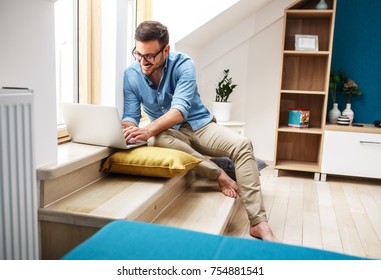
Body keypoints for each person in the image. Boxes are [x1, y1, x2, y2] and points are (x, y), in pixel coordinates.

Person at [121, 20, 277, 242]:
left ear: (165, 50)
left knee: (243, 144)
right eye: (138, 54)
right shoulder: (131, 74)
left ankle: (259, 223)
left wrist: (147, 130)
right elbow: (131, 115)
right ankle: (219, 173)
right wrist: (125, 127)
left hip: (199, 125)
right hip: (167, 133)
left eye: (149, 56)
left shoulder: (184, 63)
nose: (142, 62)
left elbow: (179, 111)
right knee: (155, 140)